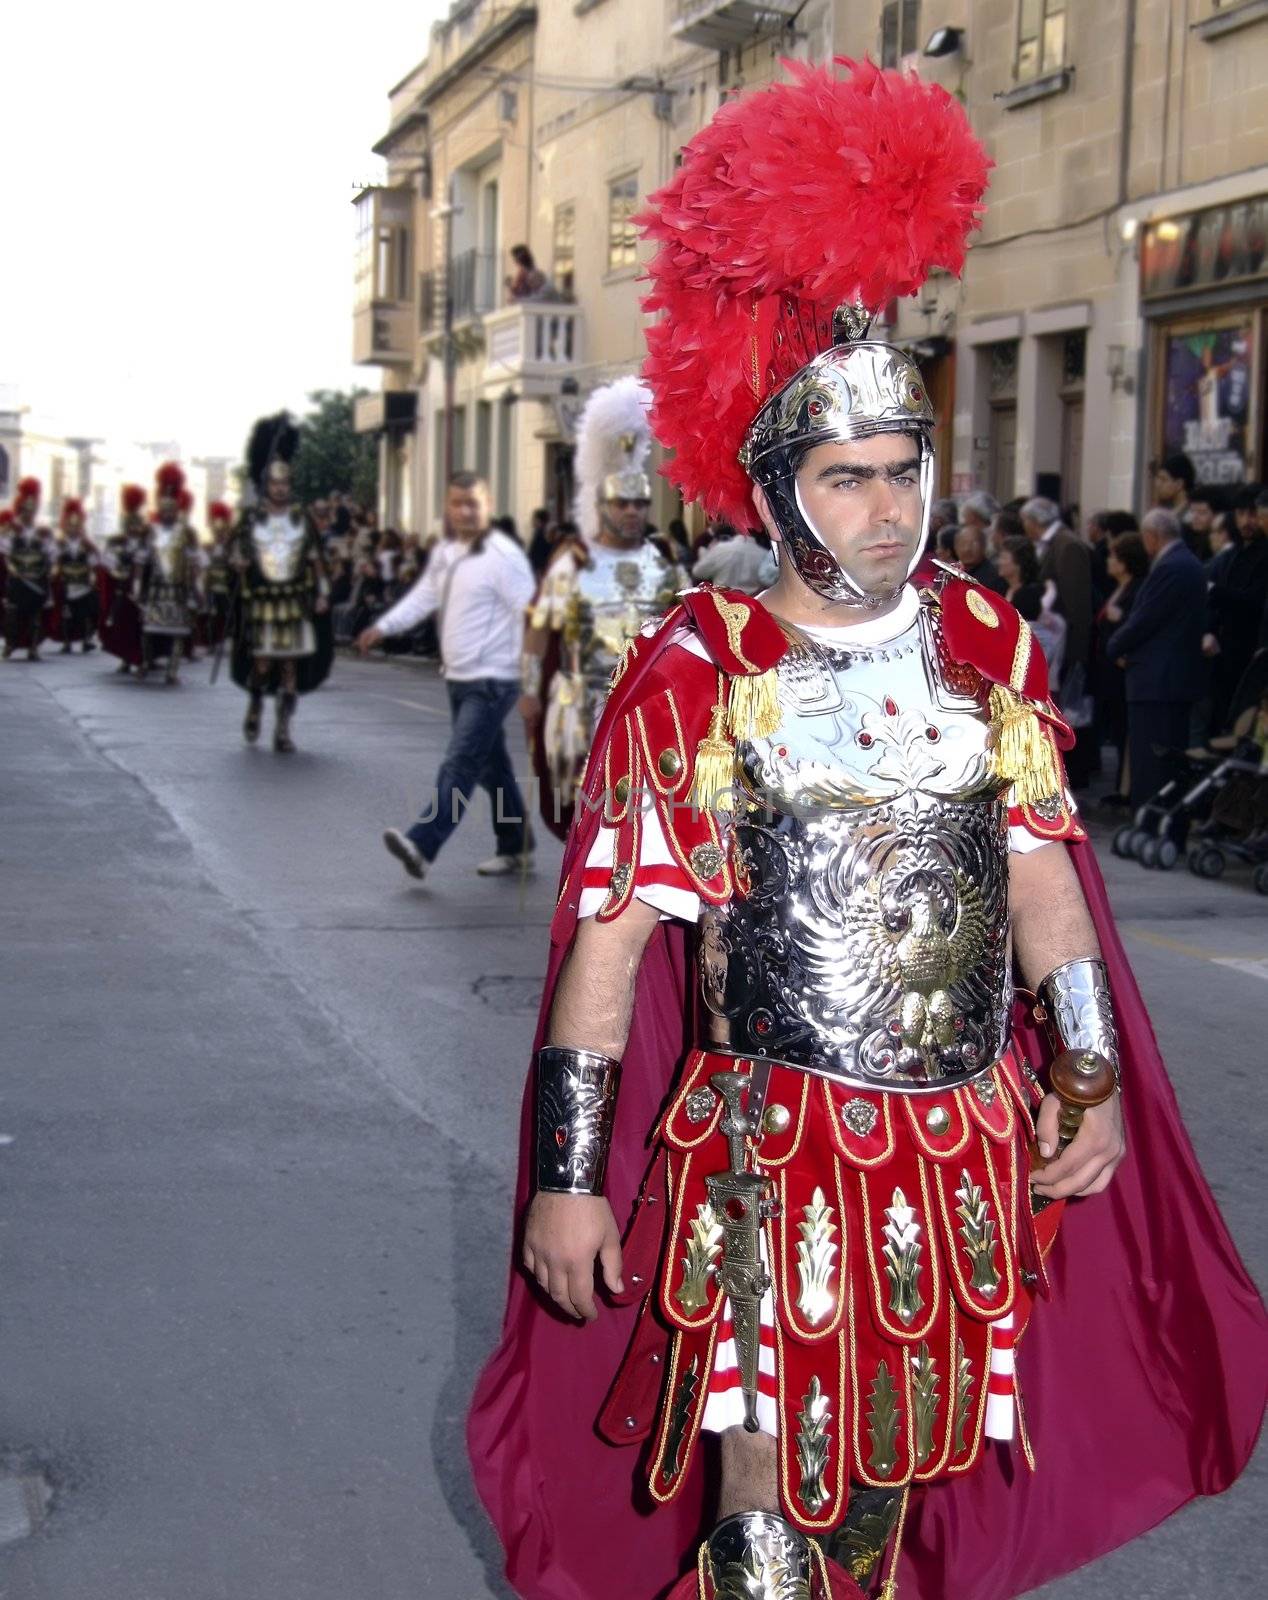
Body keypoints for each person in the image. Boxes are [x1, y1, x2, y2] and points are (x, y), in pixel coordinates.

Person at [468, 58, 1265, 1600]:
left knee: (894, 1479)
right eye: (849, 480)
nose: (889, 512)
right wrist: (572, 1178)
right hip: (773, 1149)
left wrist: (1086, 1074)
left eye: (906, 474)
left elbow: (1038, 872)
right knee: (764, 1499)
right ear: (778, 492)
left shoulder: (986, 640)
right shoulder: (695, 669)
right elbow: (613, 945)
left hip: (957, 1140)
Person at [519, 377, 686, 837]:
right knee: (584, 820)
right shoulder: (572, 562)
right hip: (582, 706)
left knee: (642, 823)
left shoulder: (665, 559)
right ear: (602, 503)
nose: (631, 512)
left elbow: (687, 629)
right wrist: (531, 690)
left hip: (643, 708)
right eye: (621, 503)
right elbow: (539, 629)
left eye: (638, 503)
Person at [360, 471, 536, 881]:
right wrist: (383, 627)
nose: (465, 511)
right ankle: (516, 845)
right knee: (493, 768)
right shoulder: (446, 553)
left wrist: (532, 680)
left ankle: (422, 845)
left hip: (493, 679)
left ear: (488, 504)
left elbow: (533, 619)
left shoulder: (503, 557)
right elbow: (424, 596)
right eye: (457, 503)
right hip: (458, 676)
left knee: (460, 764)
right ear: (447, 506)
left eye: (472, 503)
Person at [231, 415, 332, 752]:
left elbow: (317, 560)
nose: (281, 489)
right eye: (275, 484)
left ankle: (283, 730)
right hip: (263, 600)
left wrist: (323, 593)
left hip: (293, 601)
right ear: (267, 485)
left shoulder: (302, 520)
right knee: (262, 666)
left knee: (290, 667)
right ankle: (256, 702)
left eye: (285, 484)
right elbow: (235, 553)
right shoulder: (251, 519)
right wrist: (238, 562)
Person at [1105, 509, 1207, 809]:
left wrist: (1114, 645)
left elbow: (1146, 619)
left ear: (1151, 537)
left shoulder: (1173, 567)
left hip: (1159, 681)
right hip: (1167, 678)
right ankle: (1156, 819)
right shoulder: (1185, 563)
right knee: (1161, 757)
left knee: (1154, 760)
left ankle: (1151, 820)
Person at [1022, 495, 1094, 781]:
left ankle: (1074, 772)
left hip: (1064, 642)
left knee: (1068, 709)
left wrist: (1077, 653)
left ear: (1034, 522)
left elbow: (1077, 603)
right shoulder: (1054, 544)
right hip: (1054, 640)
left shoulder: (1068, 546)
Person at [1094, 530, 1149, 804]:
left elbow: (1135, 623)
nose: (1109, 561)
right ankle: (1122, 786)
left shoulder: (1138, 588)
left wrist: (1120, 618)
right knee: (1117, 728)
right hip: (1108, 668)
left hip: (1121, 668)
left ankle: (1127, 788)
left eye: (1114, 557)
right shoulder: (1117, 587)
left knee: (1124, 728)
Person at [133, 462, 200, 685]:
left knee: (178, 633)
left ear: (177, 510)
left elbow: (193, 562)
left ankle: (172, 671)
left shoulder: (186, 533)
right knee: (148, 630)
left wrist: (195, 588)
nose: (168, 513)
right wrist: (136, 586)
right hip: (156, 589)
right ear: (159, 510)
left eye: (172, 510)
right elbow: (141, 560)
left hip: (177, 591)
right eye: (164, 509)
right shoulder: (150, 531)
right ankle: (144, 663)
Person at [99, 484, 149, 674]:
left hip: (141, 590)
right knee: (122, 625)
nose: (134, 528)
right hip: (122, 588)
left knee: (141, 627)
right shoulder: (116, 542)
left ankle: (143, 659)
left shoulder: (147, 544)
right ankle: (126, 660)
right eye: (131, 524)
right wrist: (117, 572)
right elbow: (107, 562)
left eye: (137, 524)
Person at [2, 477, 53, 661]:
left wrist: (45, 570)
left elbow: (50, 554)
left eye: (32, 510)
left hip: (37, 578)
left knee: (35, 614)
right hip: (17, 578)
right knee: (13, 613)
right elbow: (6, 552)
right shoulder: (12, 529)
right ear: (20, 508)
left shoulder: (43, 532)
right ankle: (10, 644)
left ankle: (33, 647)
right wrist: (12, 569)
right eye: (26, 509)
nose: (29, 513)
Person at [53, 497, 99, 653]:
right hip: (66, 582)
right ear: (65, 525)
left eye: (76, 525)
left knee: (85, 614)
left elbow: (94, 561)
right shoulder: (60, 543)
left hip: (83, 582)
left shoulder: (86, 544)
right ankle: (67, 642)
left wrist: (92, 575)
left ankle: (86, 640)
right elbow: (54, 561)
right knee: (66, 614)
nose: (73, 529)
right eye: (70, 526)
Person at [691, 523, 779, 595]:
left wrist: (705, 553)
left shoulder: (721, 549)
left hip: (722, 604)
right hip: (751, 607)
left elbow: (698, 572)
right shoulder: (763, 554)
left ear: (735, 528)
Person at [996, 532, 1043, 617]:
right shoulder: (1000, 587)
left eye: (1004, 557)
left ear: (1019, 563)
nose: (999, 562)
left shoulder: (1029, 595)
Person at [952, 521, 1006, 594]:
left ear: (984, 546)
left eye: (974, 544)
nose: (967, 549)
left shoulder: (994, 578)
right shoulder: (952, 573)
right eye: (963, 544)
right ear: (955, 547)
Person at [1151, 450, 1195, 525]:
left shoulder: (1192, 515)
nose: (1157, 484)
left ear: (1179, 484)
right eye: (1157, 479)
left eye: (1163, 479)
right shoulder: (1167, 511)